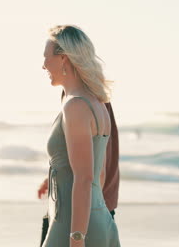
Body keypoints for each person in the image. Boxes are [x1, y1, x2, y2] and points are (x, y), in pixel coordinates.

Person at [38, 25, 121, 247]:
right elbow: (99, 173)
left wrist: (76, 238)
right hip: (97, 218)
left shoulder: (75, 105)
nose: (43, 64)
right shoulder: (97, 102)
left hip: (72, 226)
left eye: (46, 57)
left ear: (63, 58)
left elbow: (84, 179)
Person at [38, 90, 120, 246]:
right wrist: (54, 177)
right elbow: (76, 153)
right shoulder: (76, 95)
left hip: (87, 209)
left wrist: (78, 234)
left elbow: (96, 164)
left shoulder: (85, 99)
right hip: (74, 206)